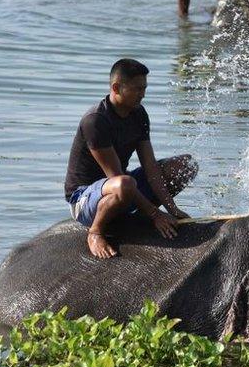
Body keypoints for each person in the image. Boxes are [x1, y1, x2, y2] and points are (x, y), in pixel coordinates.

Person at [64, 58, 197, 259]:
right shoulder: (95, 121)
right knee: (124, 183)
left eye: (144, 88)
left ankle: (140, 218)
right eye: (136, 89)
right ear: (116, 88)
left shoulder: (139, 114)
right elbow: (115, 175)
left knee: (186, 165)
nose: (142, 95)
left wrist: (171, 208)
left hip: (119, 188)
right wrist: (156, 214)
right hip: (85, 198)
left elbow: (150, 167)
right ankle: (96, 232)